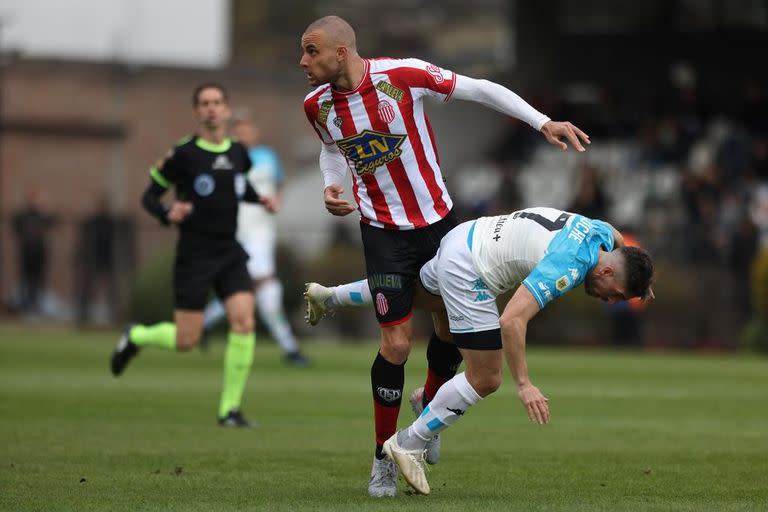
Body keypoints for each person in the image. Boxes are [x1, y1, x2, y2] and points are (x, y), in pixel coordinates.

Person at [300, 15, 591, 497]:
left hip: (438, 225)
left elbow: (479, 88)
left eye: (312, 51)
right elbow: (331, 151)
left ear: (342, 51)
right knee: (395, 345)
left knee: (450, 332)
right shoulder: (317, 106)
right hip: (382, 233)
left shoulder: (402, 76)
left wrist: (542, 122)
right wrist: (332, 184)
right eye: (303, 52)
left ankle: (428, 410)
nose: (303, 61)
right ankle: (383, 459)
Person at [374, 207, 652, 495]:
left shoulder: (598, 234)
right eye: (617, 294)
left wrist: (642, 277)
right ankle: (409, 442)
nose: (611, 300)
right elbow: (511, 320)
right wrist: (524, 384)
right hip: (470, 265)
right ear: (607, 270)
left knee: (404, 295)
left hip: (469, 236)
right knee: (485, 377)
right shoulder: (568, 264)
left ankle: (328, 297)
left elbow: (617, 236)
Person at [109, 83, 276, 427]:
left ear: (227, 110)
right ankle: (137, 336)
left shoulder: (239, 153)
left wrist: (262, 200)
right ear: (196, 112)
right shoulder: (183, 155)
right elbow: (149, 197)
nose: (212, 108)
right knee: (187, 340)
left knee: (244, 322)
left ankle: (229, 410)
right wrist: (167, 213)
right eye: (204, 103)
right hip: (194, 254)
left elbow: (238, 189)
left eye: (217, 102)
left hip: (229, 251)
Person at [202, 118, 312, 367]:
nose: (244, 136)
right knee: (266, 285)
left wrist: (277, 200)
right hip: (237, 233)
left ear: (255, 133)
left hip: (262, 230)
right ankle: (289, 347)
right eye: (239, 133)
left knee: (248, 287)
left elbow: (279, 184)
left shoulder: (267, 157)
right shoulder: (225, 159)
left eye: (248, 131)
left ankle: (202, 324)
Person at [11, 186, 57, 314]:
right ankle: (25, 307)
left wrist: (44, 210)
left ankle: (37, 306)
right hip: (27, 253)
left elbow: (53, 221)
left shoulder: (43, 215)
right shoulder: (24, 215)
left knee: (39, 280)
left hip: (40, 253)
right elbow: (15, 226)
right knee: (26, 280)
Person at [75, 195, 118, 325]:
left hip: (107, 260)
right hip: (93, 261)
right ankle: (83, 315)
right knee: (87, 289)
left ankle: (114, 315)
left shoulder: (111, 223)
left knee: (111, 289)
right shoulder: (92, 223)